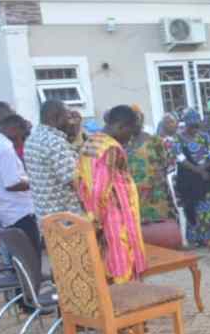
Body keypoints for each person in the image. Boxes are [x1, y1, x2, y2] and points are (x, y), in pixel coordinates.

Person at [76, 105, 146, 283]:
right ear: (121, 126)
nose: (130, 138)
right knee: (121, 262)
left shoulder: (91, 141)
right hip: (114, 217)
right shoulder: (110, 148)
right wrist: (97, 220)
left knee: (104, 260)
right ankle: (126, 296)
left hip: (94, 212)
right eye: (130, 132)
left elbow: (80, 180)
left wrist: (90, 213)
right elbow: (100, 188)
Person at [0, 114, 39, 252]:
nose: (21, 142)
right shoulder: (4, 147)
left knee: (19, 257)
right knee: (31, 256)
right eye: (22, 136)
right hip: (19, 212)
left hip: (2, 210)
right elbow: (12, 184)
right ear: (14, 129)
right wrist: (36, 182)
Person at [23, 99, 84, 220]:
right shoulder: (55, 143)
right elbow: (76, 181)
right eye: (68, 117)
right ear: (57, 118)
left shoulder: (31, 139)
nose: (70, 122)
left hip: (45, 217)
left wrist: (76, 131)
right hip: (67, 220)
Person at [174, 109, 210, 246]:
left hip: (205, 178)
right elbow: (180, 158)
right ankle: (195, 238)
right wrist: (197, 170)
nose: (194, 129)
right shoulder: (178, 139)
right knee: (192, 207)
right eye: (192, 126)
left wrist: (204, 168)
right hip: (188, 179)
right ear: (186, 124)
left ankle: (209, 236)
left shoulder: (204, 137)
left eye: (197, 126)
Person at [126, 120, 174, 226]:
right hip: (134, 191)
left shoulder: (153, 140)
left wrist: (159, 178)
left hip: (155, 190)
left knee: (159, 224)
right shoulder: (125, 142)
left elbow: (165, 160)